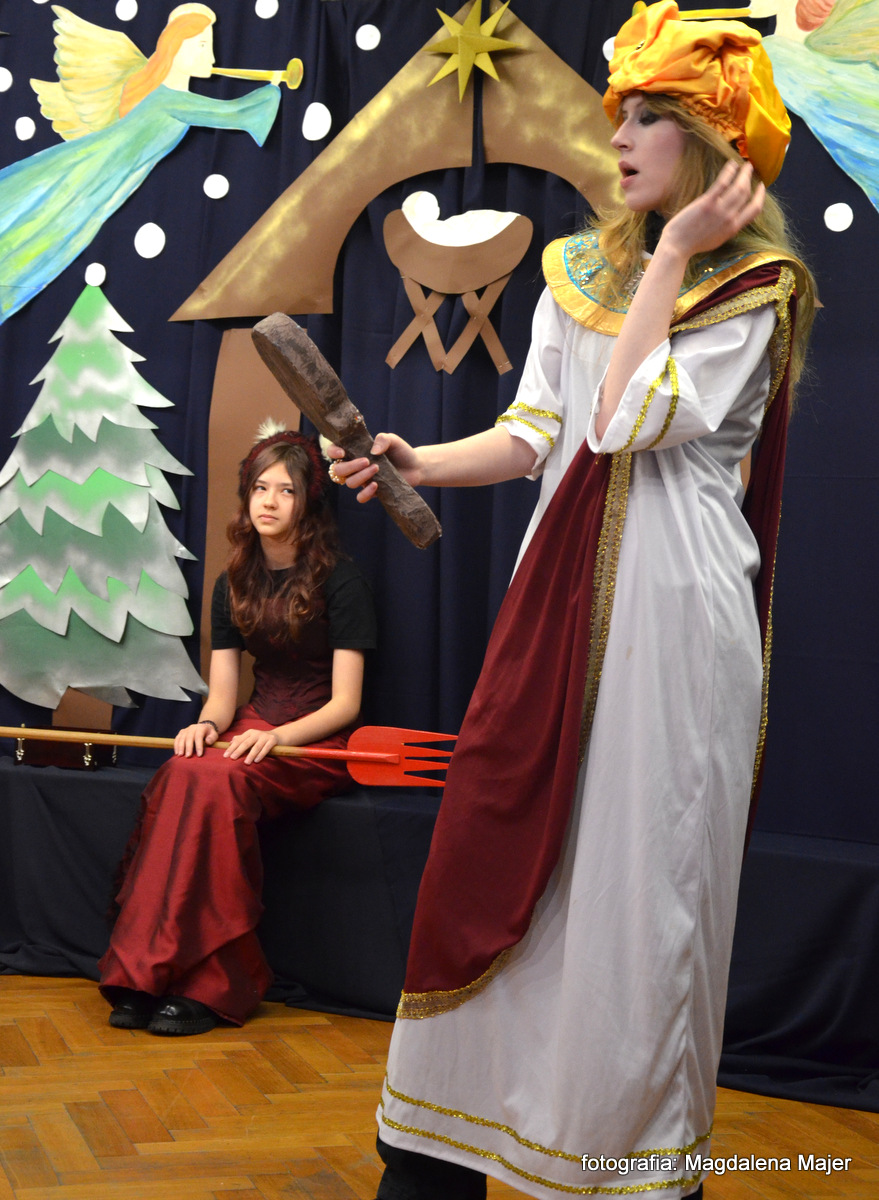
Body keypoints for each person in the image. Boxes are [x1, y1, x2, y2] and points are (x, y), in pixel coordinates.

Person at [329, 3, 815, 1196]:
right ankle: (452, 1143)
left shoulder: (758, 287)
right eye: (620, 115)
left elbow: (624, 418)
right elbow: (537, 432)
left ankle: (618, 1161)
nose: (622, 136)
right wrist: (420, 459)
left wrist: (672, 255)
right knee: (508, 859)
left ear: (714, 144)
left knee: (637, 892)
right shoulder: (577, 272)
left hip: (673, 619)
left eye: (652, 117)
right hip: (559, 609)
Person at [99, 422, 376, 1036]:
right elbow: (223, 697)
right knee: (183, 771)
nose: (268, 501)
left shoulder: (342, 581)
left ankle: (213, 985)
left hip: (315, 740)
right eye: (259, 488)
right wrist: (204, 726)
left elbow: (346, 705)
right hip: (249, 727)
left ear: (308, 503)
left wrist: (279, 738)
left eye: (285, 490)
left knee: (218, 783)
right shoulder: (231, 584)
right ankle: (145, 975)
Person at [0, 5, 280, 323]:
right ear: (176, 47)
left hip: (104, 173)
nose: (212, 57)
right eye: (202, 46)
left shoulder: (166, 96)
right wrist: (273, 87)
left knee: (44, 227)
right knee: (41, 221)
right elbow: (239, 115)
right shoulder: (170, 100)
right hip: (97, 169)